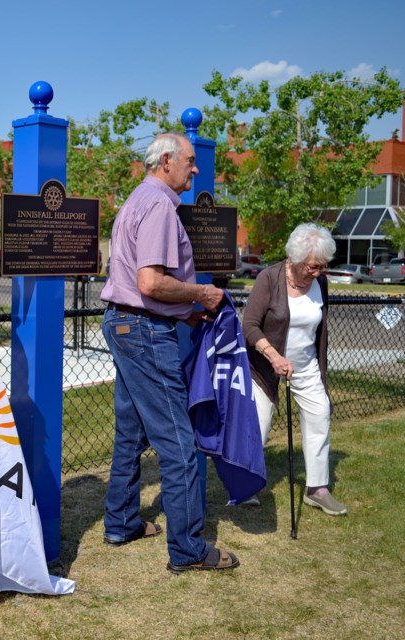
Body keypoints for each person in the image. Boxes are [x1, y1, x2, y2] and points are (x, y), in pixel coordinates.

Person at [99, 132, 240, 574]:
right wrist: (200, 294)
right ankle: (188, 550)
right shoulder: (160, 205)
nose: (195, 170)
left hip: (125, 324)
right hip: (143, 330)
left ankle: (121, 522)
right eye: (190, 161)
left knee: (132, 432)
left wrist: (183, 312)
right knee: (179, 444)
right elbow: (150, 283)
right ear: (166, 160)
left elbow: (141, 287)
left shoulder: (138, 199)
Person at [243, 223, 347, 516]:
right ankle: (246, 484)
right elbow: (248, 326)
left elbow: (317, 329)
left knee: (319, 415)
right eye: (313, 266)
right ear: (295, 259)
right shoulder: (269, 279)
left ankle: (317, 488)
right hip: (266, 365)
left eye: (323, 266)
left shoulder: (320, 283)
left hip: (305, 365)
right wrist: (274, 356)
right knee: (258, 427)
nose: (318, 272)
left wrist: (302, 362)